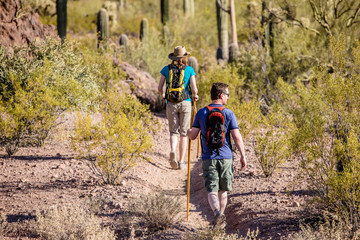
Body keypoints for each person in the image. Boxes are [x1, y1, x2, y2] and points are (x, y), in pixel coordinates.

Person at [187, 82, 246, 226]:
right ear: (221, 95)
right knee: (223, 190)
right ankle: (222, 217)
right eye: (227, 95)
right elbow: (237, 137)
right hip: (226, 157)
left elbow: (193, 136)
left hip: (208, 158)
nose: (227, 98)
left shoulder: (201, 112)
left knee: (212, 190)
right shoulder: (228, 113)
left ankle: (217, 213)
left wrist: (188, 132)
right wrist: (243, 155)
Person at [158, 46, 199, 170]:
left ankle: (172, 150)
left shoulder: (166, 69)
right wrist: (195, 96)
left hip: (171, 103)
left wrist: (164, 97)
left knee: (173, 132)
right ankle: (181, 162)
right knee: (184, 133)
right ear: (184, 57)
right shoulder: (190, 69)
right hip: (185, 103)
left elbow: (159, 88)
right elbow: (194, 89)